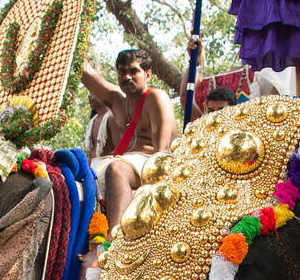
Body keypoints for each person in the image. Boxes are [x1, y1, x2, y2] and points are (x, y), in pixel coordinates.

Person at [82, 48, 177, 231]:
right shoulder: (118, 100)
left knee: (117, 169)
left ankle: (115, 239)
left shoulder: (156, 97)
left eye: (133, 71)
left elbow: (162, 153)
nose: (127, 77)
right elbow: (85, 73)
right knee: (84, 172)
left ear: (147, 74)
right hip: (126, 164)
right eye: (121, 72)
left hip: (154, 164)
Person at [180, 36, 239, 120]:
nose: (215, 115)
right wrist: (195, 62)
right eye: (211, 111)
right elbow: (186, 98)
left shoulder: (241, 129)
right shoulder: (204, 127)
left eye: (221, 111)